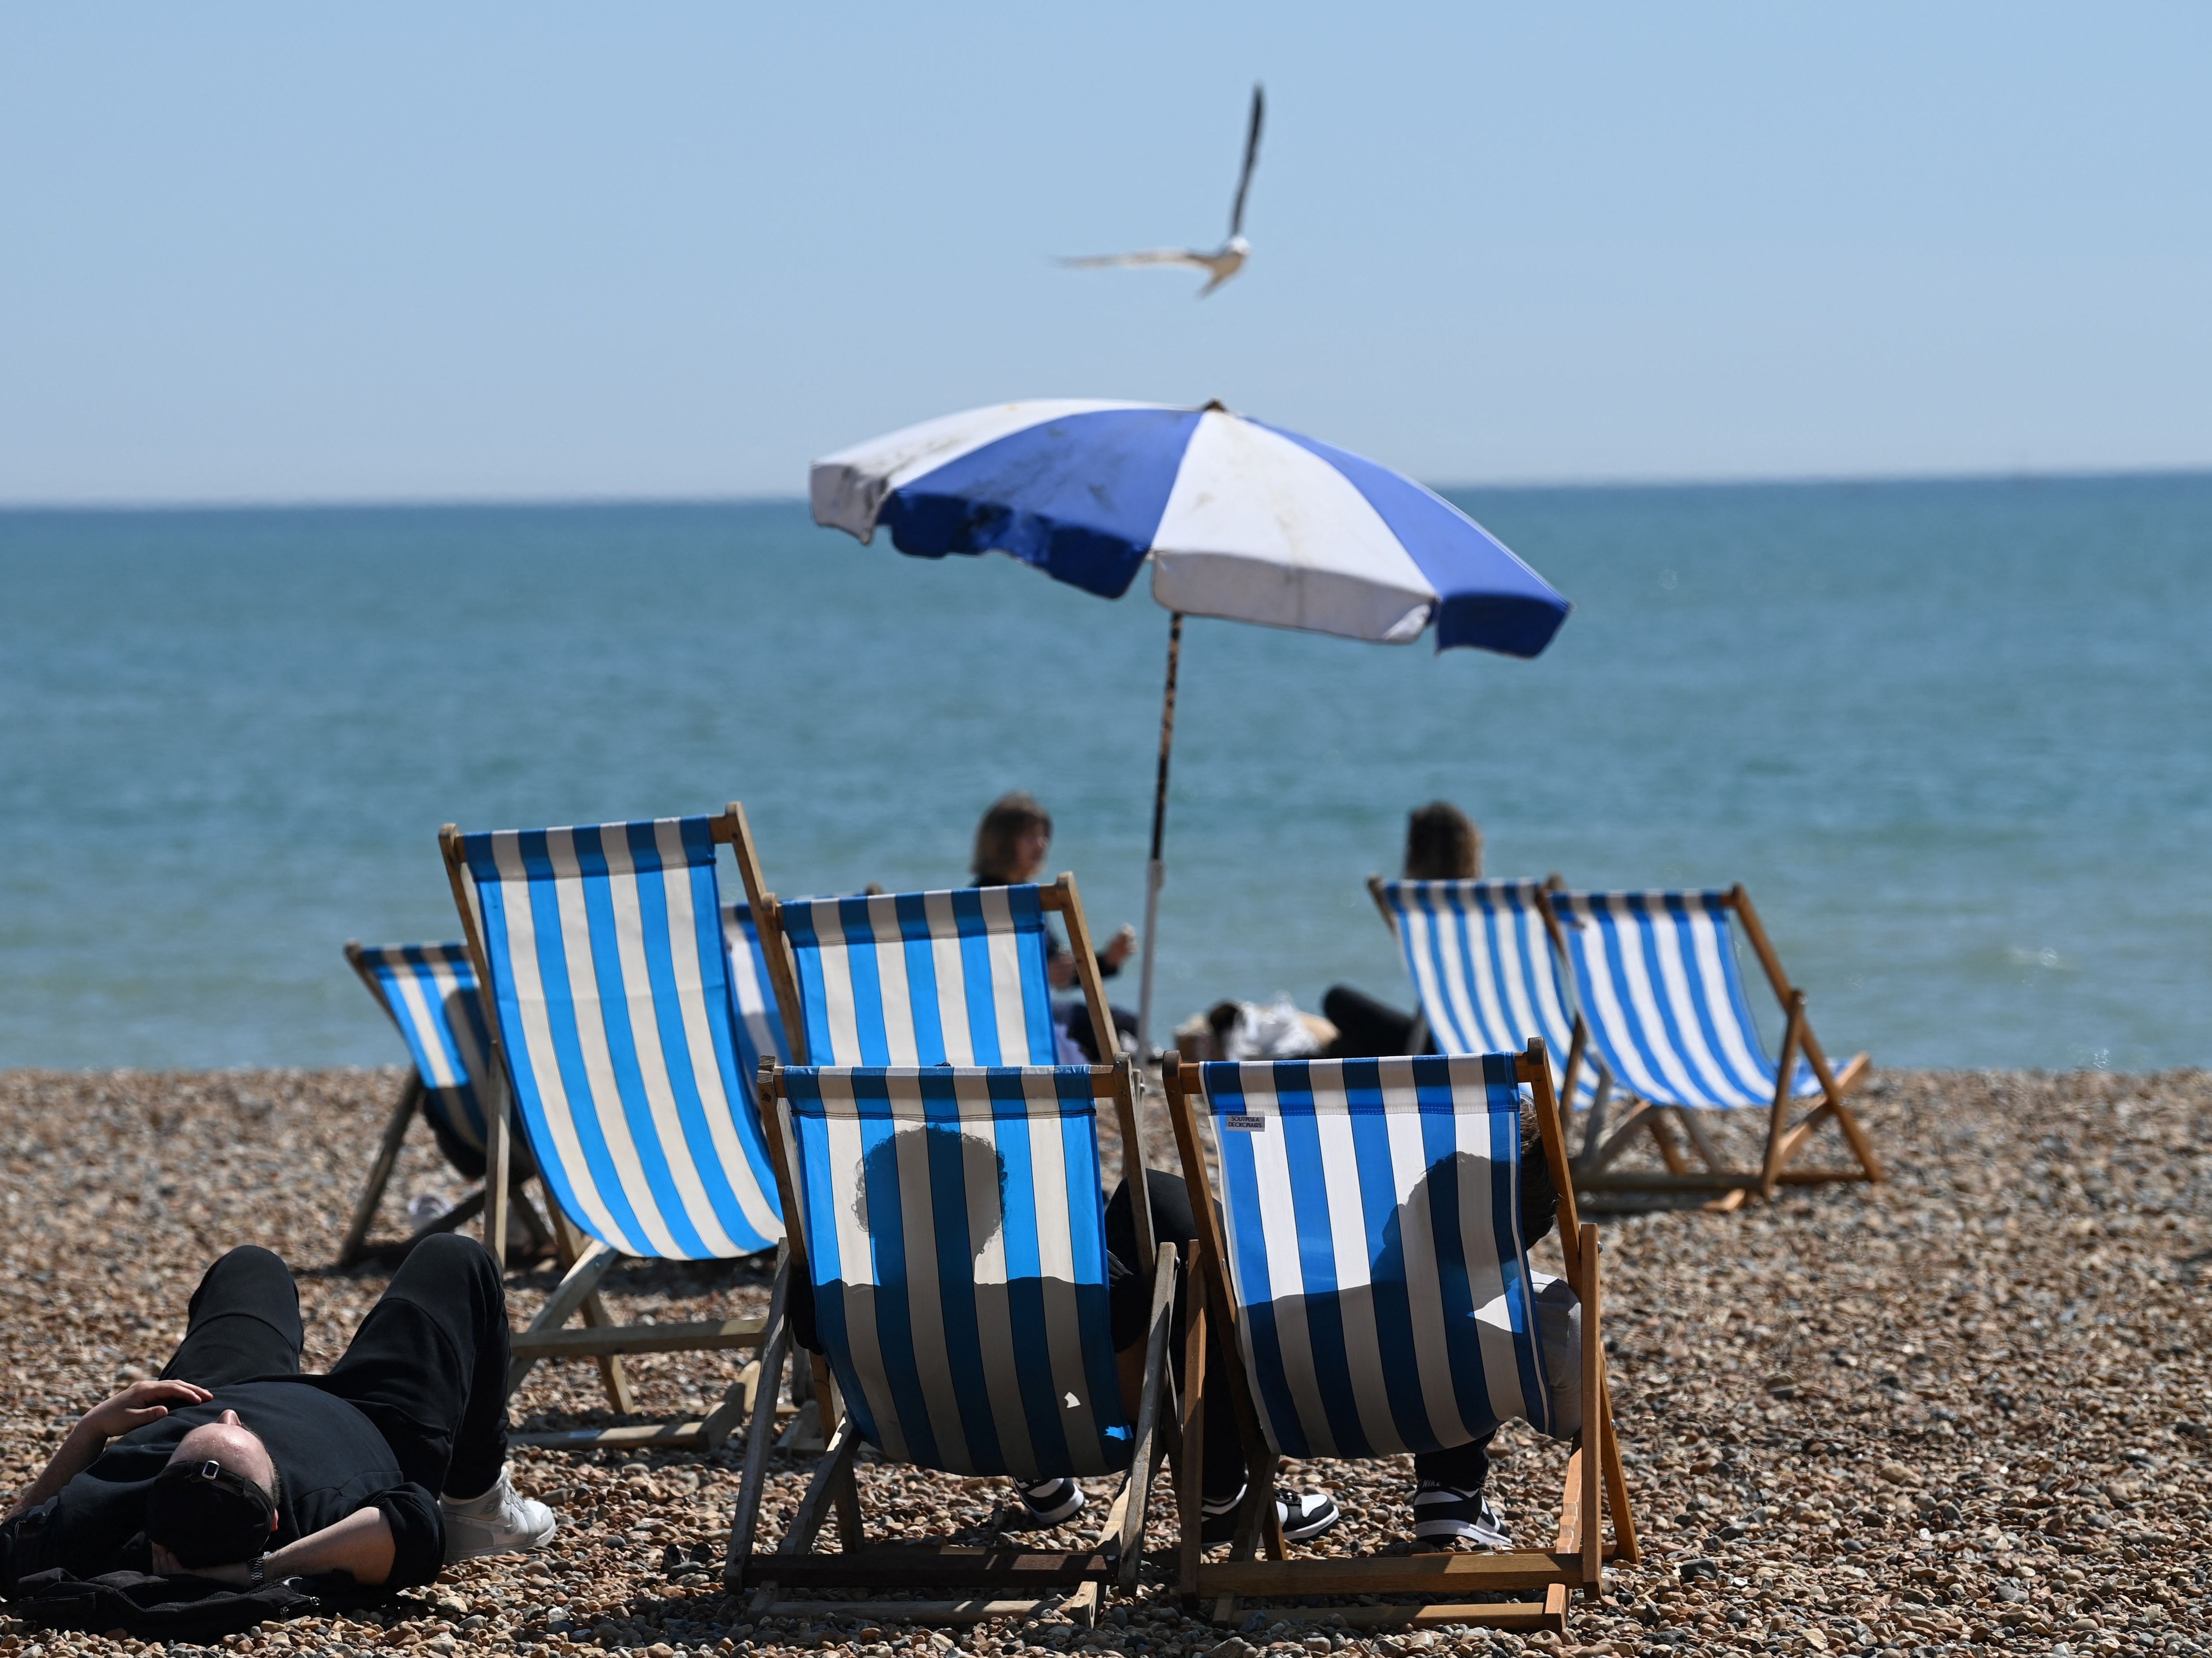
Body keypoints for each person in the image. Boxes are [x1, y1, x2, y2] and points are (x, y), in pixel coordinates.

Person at [0, 1235, 554, 1594]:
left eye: (195, 1440)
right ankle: (482, 1507)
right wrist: (268, 1569)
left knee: (249, 1263)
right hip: (374, 1417)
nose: (234, 1420)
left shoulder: (105, 1511)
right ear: (272, 1521)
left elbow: (13, 1532)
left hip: (215, 1388)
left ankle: (210, 1415)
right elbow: (414, 1525)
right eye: (237, 1434)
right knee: (458, 1259)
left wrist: (92, 1427)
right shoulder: (329, 1520)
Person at [970, 791, 1139, 1060]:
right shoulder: (984, 903)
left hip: (1029, 1014)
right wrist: (1039, 975)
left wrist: (1108, 959)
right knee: (1122, 1029)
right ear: (1002, 843)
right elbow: (975, 979)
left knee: (1125, 1024)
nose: (1042, 845)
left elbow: (1060, 972)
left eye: (1044, 836)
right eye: (1030, 837)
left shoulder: (1022, 896)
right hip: (1010, 1021)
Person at [1324, 801, 1484, 1060]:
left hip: (1437, 1053)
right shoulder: (1488, 910)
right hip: (1484, 1047)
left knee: (1336, 1000)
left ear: (1417, 852)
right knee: (1345, 1048)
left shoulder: (1426, 914)